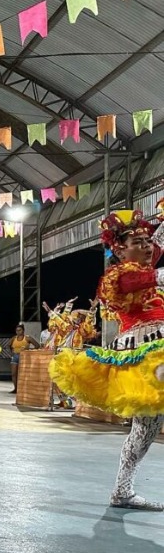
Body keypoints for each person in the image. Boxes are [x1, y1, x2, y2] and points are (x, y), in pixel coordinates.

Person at [50, 210, 164, 510]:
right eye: (138, 242)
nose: (147, 246)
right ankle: (123, 491)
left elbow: (160, 241)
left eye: (147, 241)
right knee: (144, 429)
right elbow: (151, 276)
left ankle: (122, 492)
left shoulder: (144, 264)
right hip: (145, 352)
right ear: (119, 248)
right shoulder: (120, 275)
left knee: (146, 429)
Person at [9, 323, 39, 394]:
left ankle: (23, 389)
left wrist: (30, 351)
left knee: (23, 374)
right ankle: (15, 389)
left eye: (20, 330)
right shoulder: (14, 338)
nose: (18, 332)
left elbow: (37, 345)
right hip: (15, 356)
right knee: (14, 373)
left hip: (24, 356)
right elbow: (9, 346)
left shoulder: (27, 338)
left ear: (23, 331)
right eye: (17, 330)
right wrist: (11, 353)